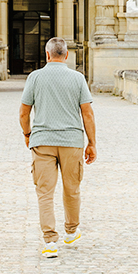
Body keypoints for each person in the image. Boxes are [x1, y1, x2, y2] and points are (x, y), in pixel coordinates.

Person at [19, 36, 96, 259]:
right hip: (71, 141)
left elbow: (24, 112)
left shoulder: (35, 77)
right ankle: (71, 232)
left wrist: (27, 134)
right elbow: (87, 114)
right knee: (72, 189)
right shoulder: (77, 78)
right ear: (67, 55)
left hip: (42, 141)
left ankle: (50, 241)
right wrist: (91, 142)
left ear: (47, 54)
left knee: (45, 193)